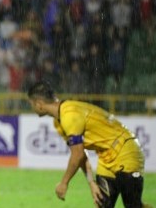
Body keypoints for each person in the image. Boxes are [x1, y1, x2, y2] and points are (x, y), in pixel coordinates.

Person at [27, 80, 146, 208]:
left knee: (133, 206)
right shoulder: (59, 122)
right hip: (106, 158)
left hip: (126, 151)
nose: (31, 108)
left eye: (31, 104)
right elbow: (80, 153)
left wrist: (64, 182)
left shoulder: (69, 115)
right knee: (103, 204)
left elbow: (77, 155)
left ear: (39, 104)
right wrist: (91, 183)